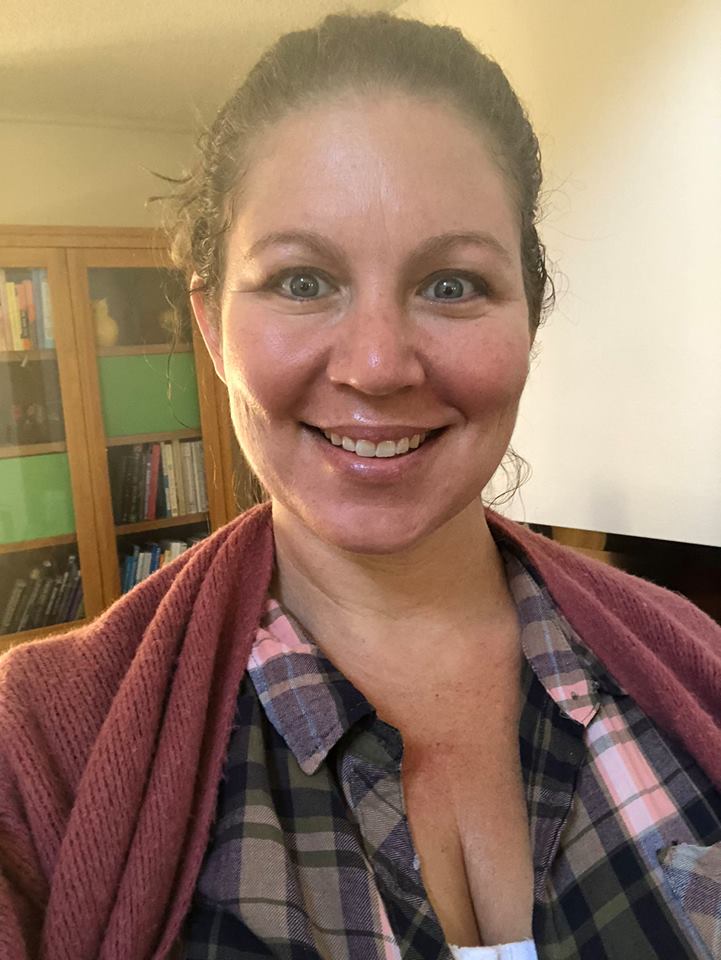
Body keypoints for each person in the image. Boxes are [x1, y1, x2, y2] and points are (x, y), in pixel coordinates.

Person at [1, 11, 721, 960]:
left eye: (451, 284)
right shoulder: (32, 749)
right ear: (211, 327)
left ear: (528, 318)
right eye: (302, 282)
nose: (378, 367)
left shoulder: (694, 658)